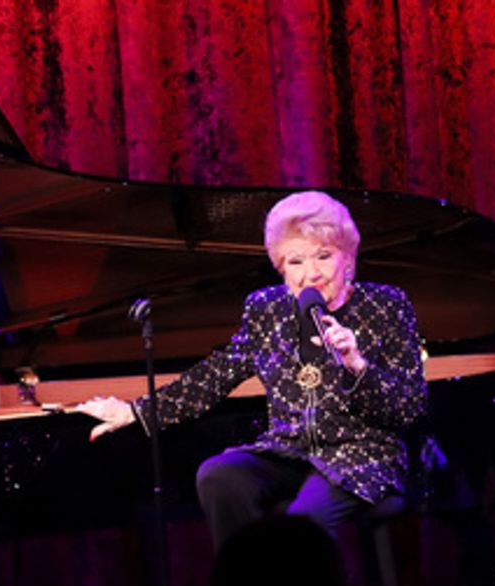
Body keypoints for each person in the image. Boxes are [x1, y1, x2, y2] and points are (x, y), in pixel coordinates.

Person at [79, 190, 427, 545]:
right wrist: (136, 412)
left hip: (360, 456)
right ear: (280, 266)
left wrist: (356, 364)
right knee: (218, 476)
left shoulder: (387, 305)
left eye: (324, 256)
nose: (311, 274)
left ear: (348, 258)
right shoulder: (266, 308)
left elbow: (409, 407)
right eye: (295, 262)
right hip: (288, 450)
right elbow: (219, 372)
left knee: (301, 523)